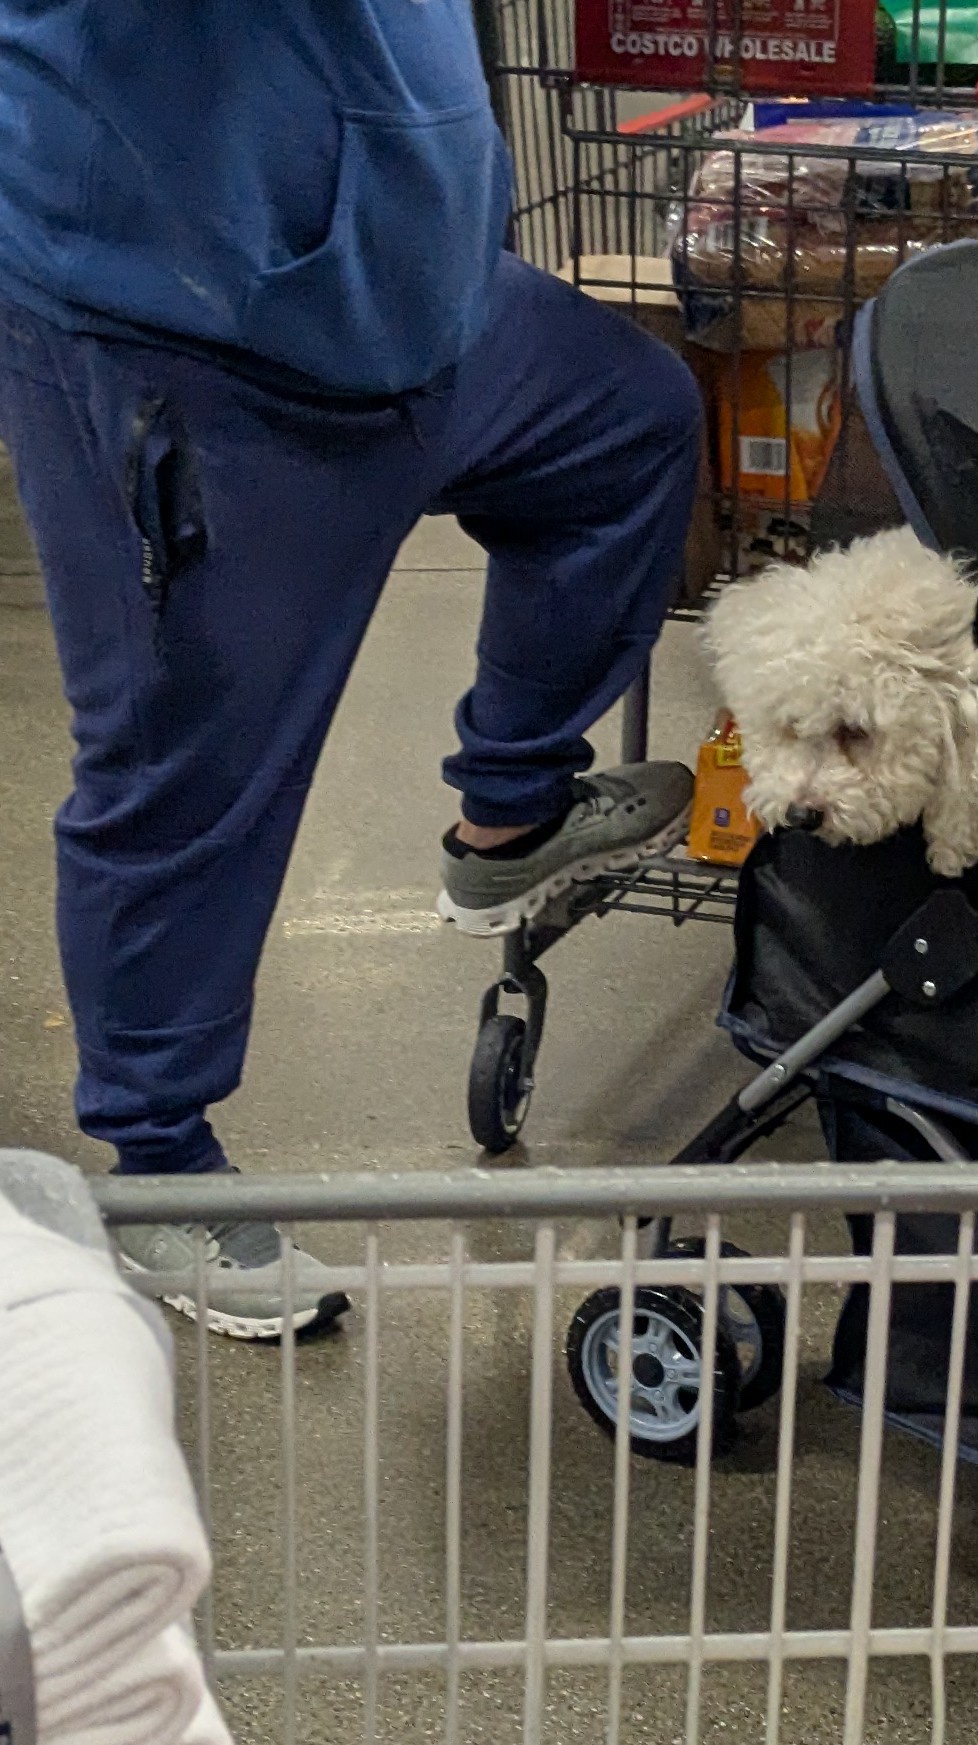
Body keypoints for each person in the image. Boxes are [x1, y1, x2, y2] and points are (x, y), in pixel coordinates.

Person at [0, 1, 702, 1337]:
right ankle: (158, 1177)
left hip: (410, 292)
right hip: (191, 334)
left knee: (623, 425)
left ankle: (510, 807)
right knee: (176, 765)